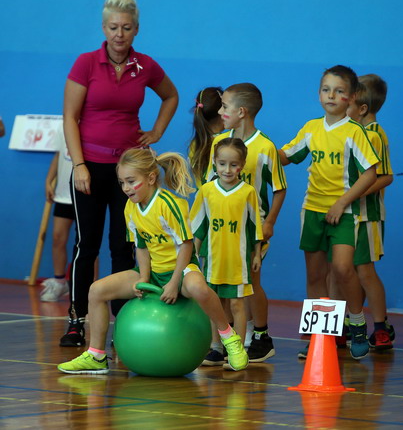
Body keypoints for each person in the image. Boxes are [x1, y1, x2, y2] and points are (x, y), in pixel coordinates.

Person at [57, 148, 248, 374]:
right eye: (122, 182)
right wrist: (144, 279)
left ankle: (229, 338)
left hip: (181, 270)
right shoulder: (131, 207)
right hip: (153, 272)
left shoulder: (169, 204)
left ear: (150, 178)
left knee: (199, 288)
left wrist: (174, 282)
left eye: (131, 181)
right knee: (96, 290)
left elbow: (186, 246)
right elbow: (141, 246)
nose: (126, 188)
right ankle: (96, 355)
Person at [60, 0, 178, 347]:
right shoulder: (85, 63)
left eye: (126, 27)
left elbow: (170, 95)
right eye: (113, 27)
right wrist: (79, 165)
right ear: (104, 28)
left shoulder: (146, 66)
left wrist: (156, 132)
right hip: (90, 168)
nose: (119, 34)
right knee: (86, 244)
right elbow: (70, 117)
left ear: (136, 29)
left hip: (129, 171)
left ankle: (124, 320)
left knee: (124, 245)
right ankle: (77, 319)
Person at [279, 65, 380, 360]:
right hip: (312, 210)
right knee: (315, 275)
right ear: (319, 93)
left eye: (338, 91)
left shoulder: (354, 132)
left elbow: (370, 174)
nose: (331, 95)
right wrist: (256, 146)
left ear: (352, 97)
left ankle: (357, 323)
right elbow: (285, 156)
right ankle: (321, 337)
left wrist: (341, 203)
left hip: (344, 213)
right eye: (326, 90)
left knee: (343, 268)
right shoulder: (311, 128)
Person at [205, 83, 287, 363]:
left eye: (225, 106)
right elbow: (209, 185)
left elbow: (279, 188)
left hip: (251, 229)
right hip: (222, 229)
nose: (220, 111)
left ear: (241, 112)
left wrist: (269, 222)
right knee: (223, 286)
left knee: (250, 282)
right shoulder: (219, 143)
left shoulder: (265, 147)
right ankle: (226, 342)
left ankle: (262, 336)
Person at [190, 138, 263, 365]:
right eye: (222, 164)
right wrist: (193, 258)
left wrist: (257, 253)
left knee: (237, 304)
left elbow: (255, 227)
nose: (227, 169)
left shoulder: (248, 192)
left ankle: (237, 350)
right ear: (214, 162)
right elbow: (198, 227)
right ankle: (216, 347)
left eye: (233, 164)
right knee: (215, 304)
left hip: (238, 261)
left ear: (242, 165)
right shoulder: (206, 191)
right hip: (213, 260)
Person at [346, 74, 395, 351]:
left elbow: (385, 176)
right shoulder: (355, 132)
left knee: (365, 271)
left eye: (349, 102)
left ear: (362, 107)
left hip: (367, 215)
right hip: (351, 214)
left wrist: (353, 194)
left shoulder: (373, 134)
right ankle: (351, 323)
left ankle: (380, 327)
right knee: (348, 270)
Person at [41, 128, 98, 302]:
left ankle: (91, 288)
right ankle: (60, 282)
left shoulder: (93, 127)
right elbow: (59, 156)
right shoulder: (62, 128)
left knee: (87, 242)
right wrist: (49, 180)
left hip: (85, 191)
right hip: (64, 195)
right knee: (58, 237)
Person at [188, 87, 224, 189]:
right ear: (221, 112)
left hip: (202, 197)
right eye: (226, 107)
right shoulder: (225, 143)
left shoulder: (195, 143)